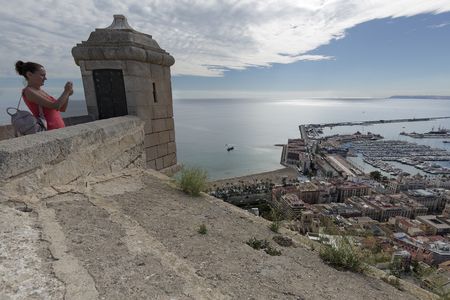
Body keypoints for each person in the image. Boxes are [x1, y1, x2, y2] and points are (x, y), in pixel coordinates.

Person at [15, 60, 73, 131]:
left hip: (58, 130)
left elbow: (62, 108)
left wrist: (67, 94)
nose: (45, 78)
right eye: (42, 75)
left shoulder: (40, 91)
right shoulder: (29, 91)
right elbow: (56, 105)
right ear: (30, 75)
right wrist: (66, 91)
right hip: (48, 131)